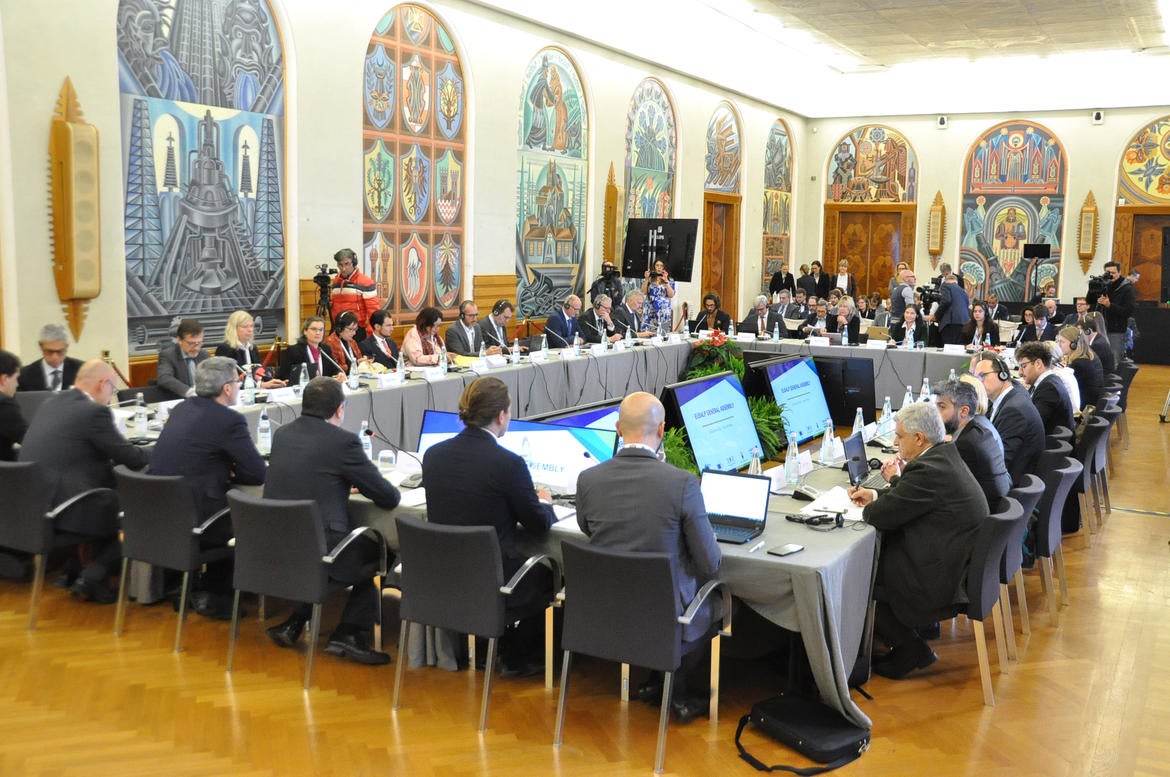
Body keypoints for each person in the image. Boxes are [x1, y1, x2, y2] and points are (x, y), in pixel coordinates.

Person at [576, 392, 721, 721]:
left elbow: (587, 528)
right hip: (666, 617)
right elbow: (710, 563)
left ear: (618, 429)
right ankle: (679, 692)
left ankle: (657, 681)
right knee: (718, 599)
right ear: (661, 429)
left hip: (604, 611)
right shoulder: (682, 483)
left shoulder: (588, 479)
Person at [422, 377, 555, 676]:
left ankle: (495, 645)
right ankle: (517, 654)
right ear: (501, 416)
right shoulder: (508, 464)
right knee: (550, 572)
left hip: (443, 574)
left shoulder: (433, 455)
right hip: (495, 579)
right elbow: (538, 525)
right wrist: (545, 503)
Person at [847, 401, 988, 680]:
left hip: (941, 575)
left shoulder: (928, 470)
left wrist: (874, 503)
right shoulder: (943, 455)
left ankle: (910, 649)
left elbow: (879, 516)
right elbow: (913, 499)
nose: (895, 442)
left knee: (861, 573)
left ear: (919, 438)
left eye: (899, 436)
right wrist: (875, 494)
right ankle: (910, 635)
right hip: (955, 558)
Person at [263, 377, 399, 665]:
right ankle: (349, 631)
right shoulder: (343, 442)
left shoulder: (283, 434)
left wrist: (340, 481)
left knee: (349, 547)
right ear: (339, 410)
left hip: (277, 546)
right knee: (380, 549)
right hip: (322, 551)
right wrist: (354, 481)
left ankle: (296, 621)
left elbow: (310, 475)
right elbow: (388, 498)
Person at [18, 360, 151, 603]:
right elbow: (133, 459)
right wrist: (159, 449)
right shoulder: (94, 412)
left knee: (110, 491)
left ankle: (78, 572)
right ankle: (92, 576)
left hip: (37, 503)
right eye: (112, 388)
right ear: (102, 384)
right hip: (70, 506)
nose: (111, 394)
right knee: (140, 508)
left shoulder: (51, 402)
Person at [148, 357, 266, 619]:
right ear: (227, 388)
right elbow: (258, 473)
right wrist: (233, 470)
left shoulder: (181, 408)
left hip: (162, 513)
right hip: (199, 520)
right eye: (237, 381)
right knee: (246, 517)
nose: (239, 386)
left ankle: (194, 588)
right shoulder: (229, 420)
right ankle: (216, 595)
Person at [934, 378, 1011, 507]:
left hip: (985, 514)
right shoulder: (978, 430)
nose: (935, 413)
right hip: (997, 508)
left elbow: (940, 486)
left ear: (964, 411)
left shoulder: (966, 444)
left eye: (942, 407)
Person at [974, 352, 1045, 486]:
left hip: (1014, 484)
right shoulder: (1005, 400)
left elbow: (999, 461)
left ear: (1002, 375)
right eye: (976, 378)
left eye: (982, 376)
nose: (978, 382)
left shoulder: (1014, 411)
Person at [1015, 342, 1075, 436]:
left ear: (1038, 364)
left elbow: (1032, 425)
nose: (1020, 373)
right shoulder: (1049, 381)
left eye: (1023, 366)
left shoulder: (1049, 389)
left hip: (1050, 443)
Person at [213, 310, 286, 389]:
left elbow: (258, 373)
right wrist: (260, 385)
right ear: (233, 329)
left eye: (251, 326)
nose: (250, 330)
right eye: (245, 327)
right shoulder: (224, 349)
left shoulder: (253, 348)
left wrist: (273, 382)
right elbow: (227, 382)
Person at [329, 247, 382, 338]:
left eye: (347, 264)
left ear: (354, 263)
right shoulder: (336, 282)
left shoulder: (365, 282)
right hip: (339, 329)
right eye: (340, 265)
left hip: (357, 330)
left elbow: (373, 311)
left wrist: (371, 334)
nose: (343, 268)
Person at [17, 323, 82, 392]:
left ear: (67, 346)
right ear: (40, 346)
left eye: (60, 351)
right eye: (49, 351)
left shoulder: (81, 370)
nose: (55, 357)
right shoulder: (24, 375)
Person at [156, 318, 211, 399]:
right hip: (179, 400)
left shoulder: (204, 354)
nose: (196, 348)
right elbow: (164, 378)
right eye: (191, 343)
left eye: (199, 343)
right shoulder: (168, 355)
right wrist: (189, 392)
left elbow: (211, 377)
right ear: (179, 340)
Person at [1096, 260, 1137, 357]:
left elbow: (1129, 312)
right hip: (1099, 329)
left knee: (1114, 360)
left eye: (1113, 273)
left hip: (1116, 332)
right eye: (1108, 273)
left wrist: (1109, 305)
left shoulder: (1127, 289)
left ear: (1119, 272)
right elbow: (1090, 302)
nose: (1111, 275)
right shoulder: (1103, 285)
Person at [1057, 326, 1104, 409]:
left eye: (1062, 342)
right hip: (1090, 403)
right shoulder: (1084, 358)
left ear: (1073, 345)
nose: (1059, 345)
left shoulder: (1078, 364)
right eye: (1058, 341)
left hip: (1083, 409)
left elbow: (1064, 389)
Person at [0, 349, 27, 461]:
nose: (17, 384)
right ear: (4, 379)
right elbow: (29, 439)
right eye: (16, 378)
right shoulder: (4, 404)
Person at [933, 273, 971, 346]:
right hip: (964, 324)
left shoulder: (945, 285)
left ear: (946, 281)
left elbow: (946, 301)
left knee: (948, 349)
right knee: (958, 348)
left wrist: (936, 316)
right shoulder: (964, 291)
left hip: (950, 324)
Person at [642, 258, 676, 333]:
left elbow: (671, 295)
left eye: (661, 266)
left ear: (664, 267)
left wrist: (666, 282)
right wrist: (646, 279)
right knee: (648, 333)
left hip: (664, 310)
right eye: (657, 265)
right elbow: (644, 292)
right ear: (654, 267)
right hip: (650, 309)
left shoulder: (670, 280)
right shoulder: (649, 279)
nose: (659, 268)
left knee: (663, 333)